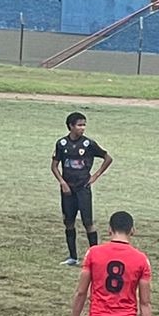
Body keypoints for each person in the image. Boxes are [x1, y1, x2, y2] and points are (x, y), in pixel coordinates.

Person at [51, 110, 112, 266]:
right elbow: (54, 166)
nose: (82, 128)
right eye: (79, 125)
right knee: (68, 221)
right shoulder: (61, 144)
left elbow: (107, 158)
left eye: (84, 125)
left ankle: (95, 258)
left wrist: (95, 175)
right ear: (71, 126)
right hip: (68, 190)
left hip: (83, 188)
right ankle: (73, 256)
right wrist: (62, 182)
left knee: (88, 222)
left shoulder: (88, 144)